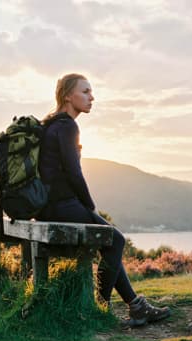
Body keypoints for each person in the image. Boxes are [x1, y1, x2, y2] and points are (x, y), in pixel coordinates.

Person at [38, 73, 171, 326]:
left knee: (109, 241)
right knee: (116, 239)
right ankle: (100, 307)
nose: (92, 97)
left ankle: (136, 306)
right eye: (85, 91)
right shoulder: (67, 126)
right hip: (62, 206)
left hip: (50, 206)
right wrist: (89, 205)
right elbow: (73, 173)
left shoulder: (52, 124)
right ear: (68, 95)